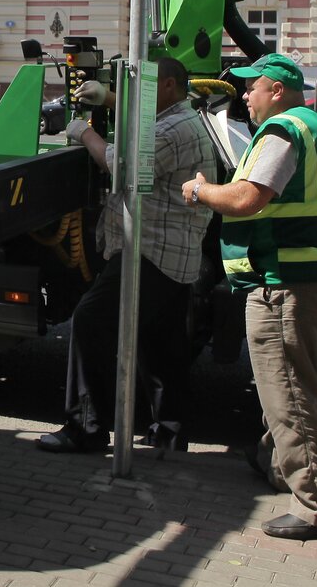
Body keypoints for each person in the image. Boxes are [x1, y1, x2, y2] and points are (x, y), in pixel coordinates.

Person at [182, 53, 317, 541]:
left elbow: (247, 198)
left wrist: (201, 189)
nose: (246, 98)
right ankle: (280, 467)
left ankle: (315, 507)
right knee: (298, 389)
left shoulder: (282, 132)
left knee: (293, 398)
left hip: (285, 284)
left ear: (276, 89)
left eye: (252, 88)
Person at [37, 56, 216, 455]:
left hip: (148, 252)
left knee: (89, 321)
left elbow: (122, 165)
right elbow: (143, 119)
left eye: (144, 87)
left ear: (167, 86)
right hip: (175, 256)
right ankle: (168, 432)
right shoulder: (183, 119)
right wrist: (106, 99)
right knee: (161, 345)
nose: (137, 96)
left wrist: (84, 133)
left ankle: (86, 427)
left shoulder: (172, 129)